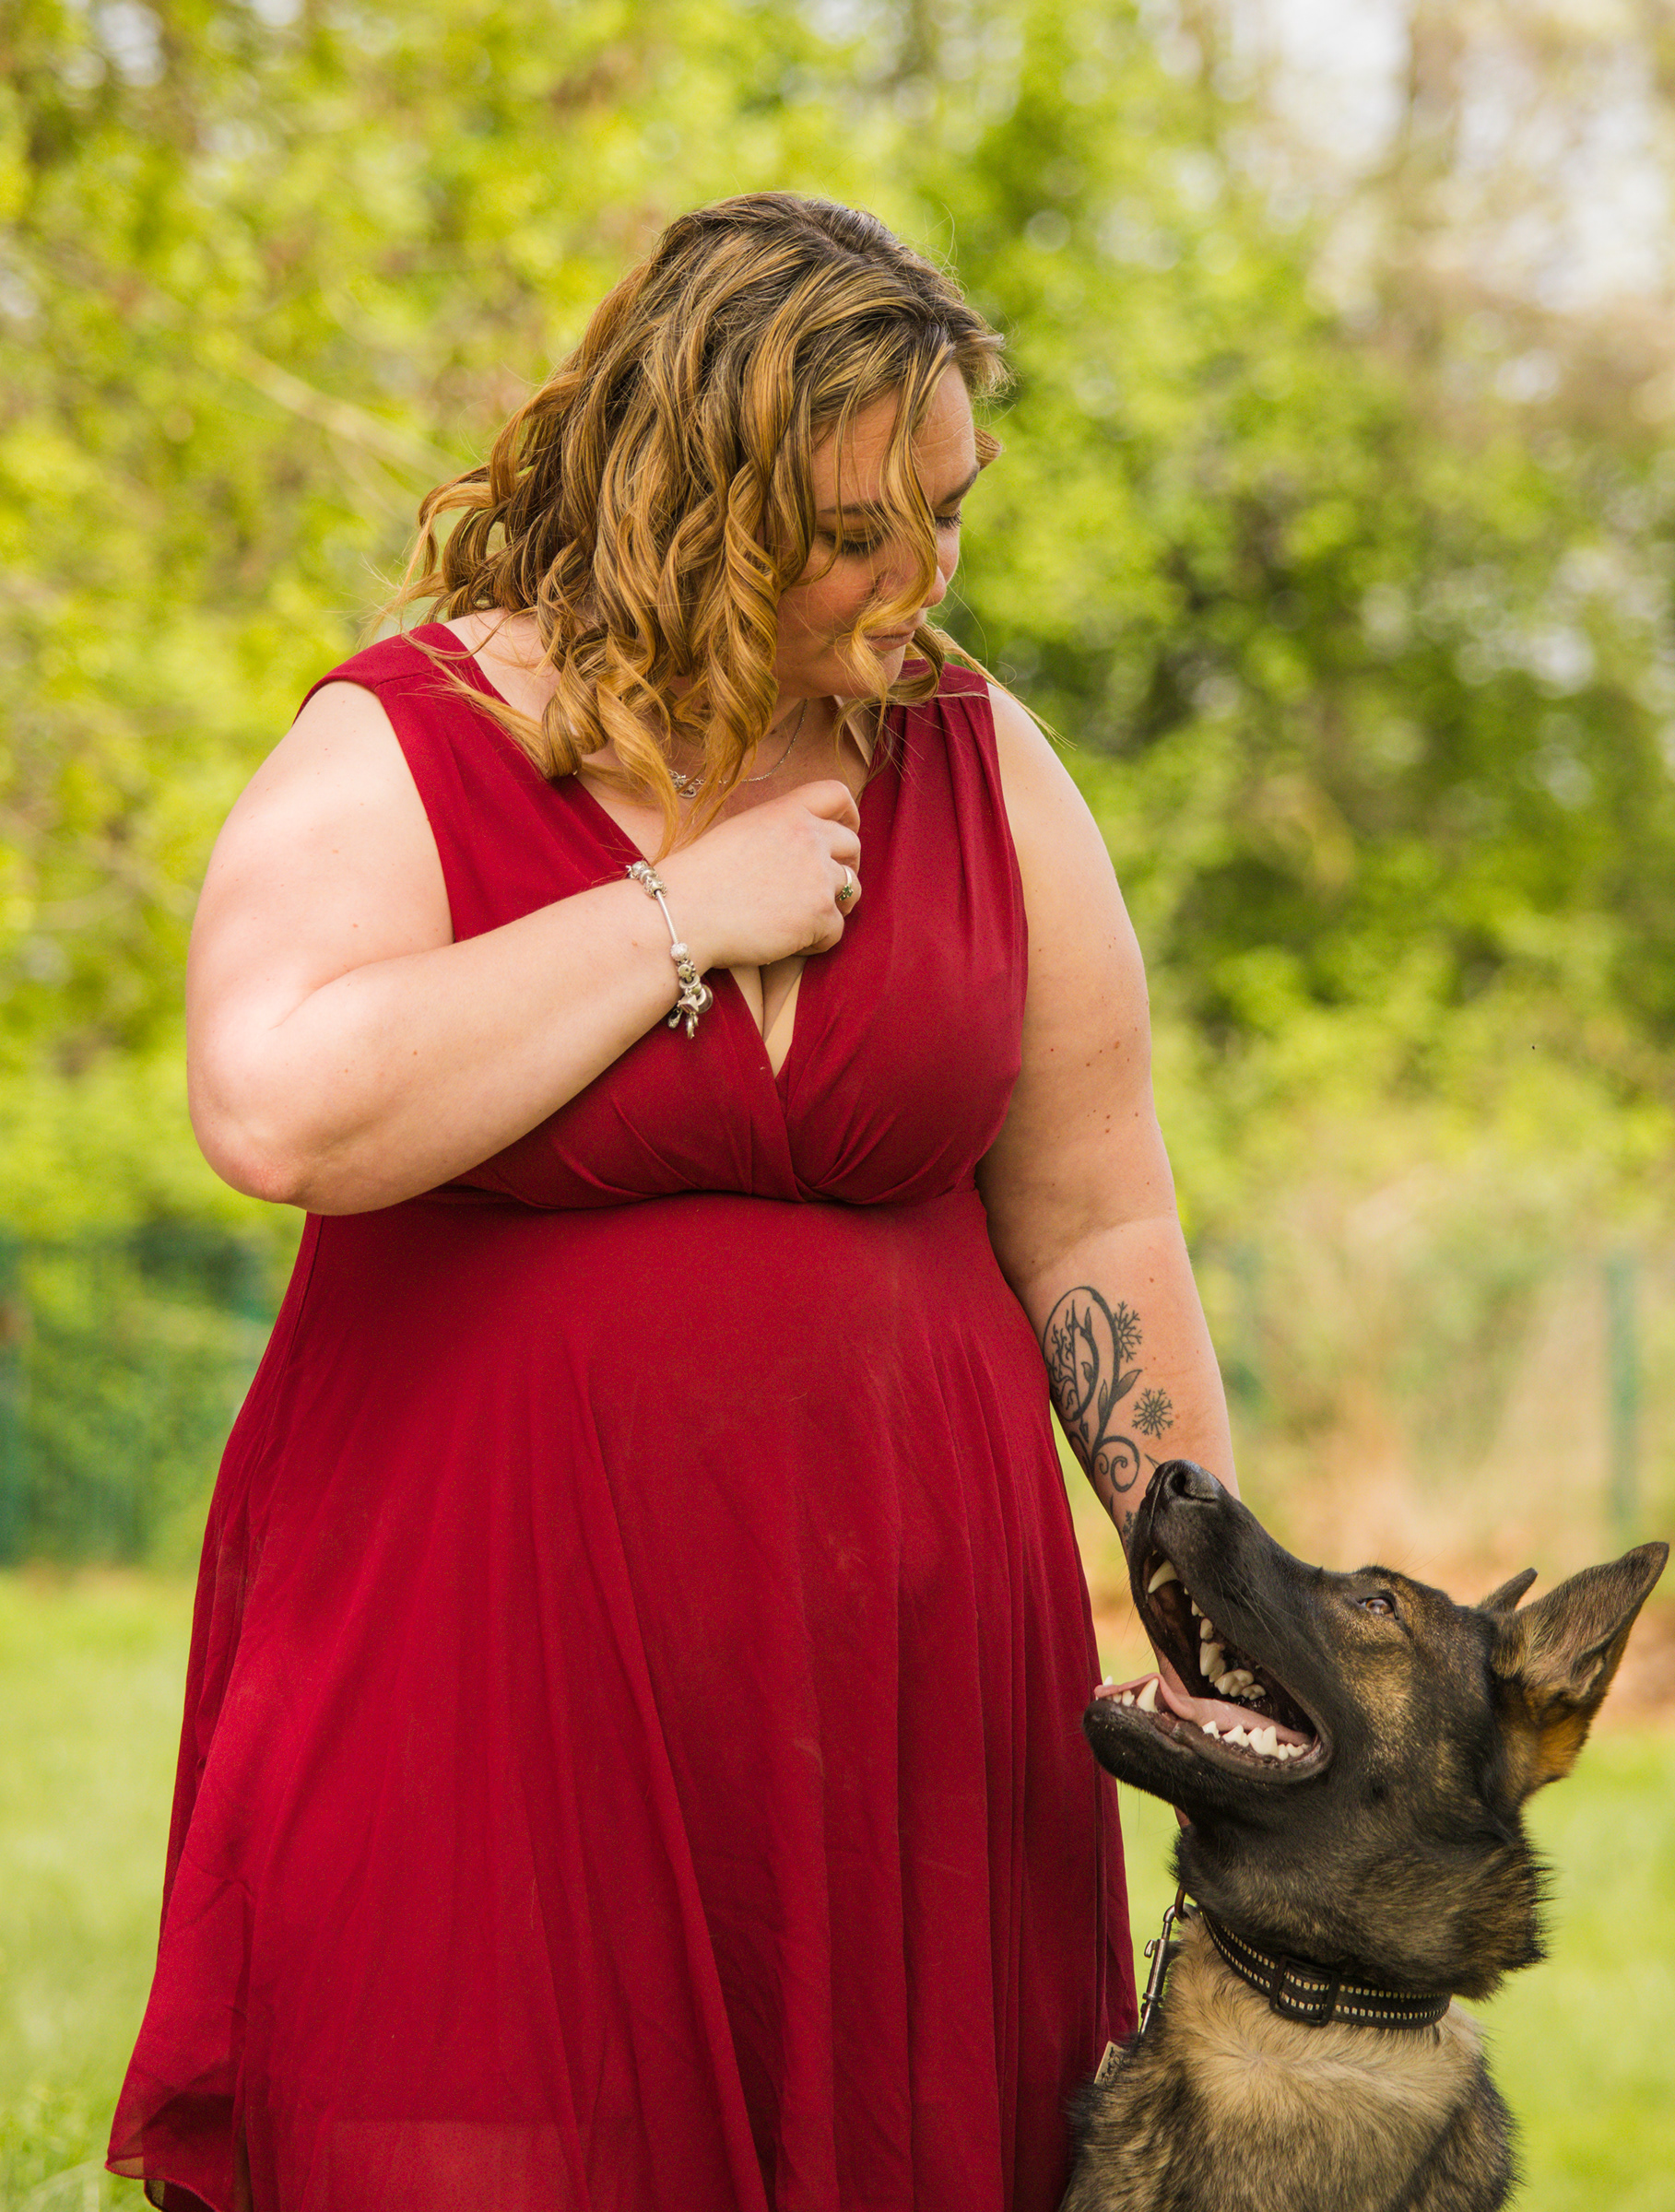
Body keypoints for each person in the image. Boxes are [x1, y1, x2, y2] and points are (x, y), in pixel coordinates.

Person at [109, 192, 1235, 2212]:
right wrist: (672, 919)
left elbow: (1097, 1222)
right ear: (685, 500)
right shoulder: (407, 740)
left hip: (904, 1695)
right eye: (855, 535)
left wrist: (1209, 1591)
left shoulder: (980, 760)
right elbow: (273, 1109)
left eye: (950, 513)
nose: (919, 582)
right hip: (484, 1658)